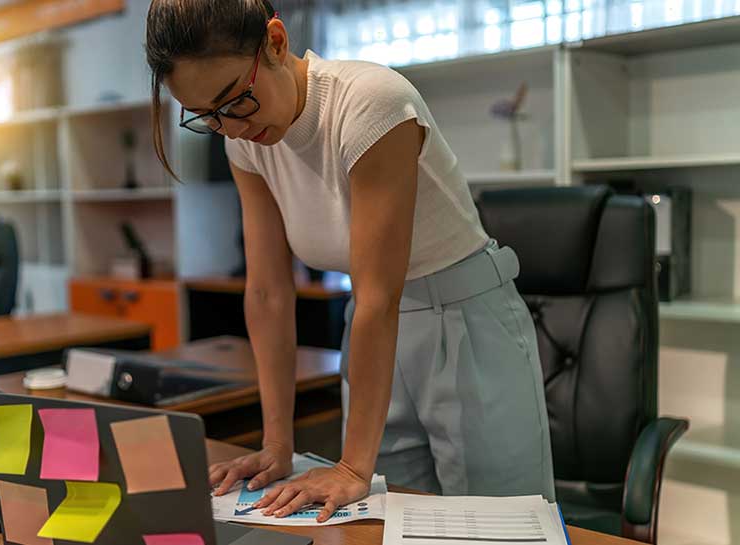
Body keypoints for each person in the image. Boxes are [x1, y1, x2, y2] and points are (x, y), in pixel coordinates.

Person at [145, 0, 555, 522]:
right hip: (370, 334)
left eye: (235, 101)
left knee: (497, 526)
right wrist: (277, 444)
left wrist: (353, 464)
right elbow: (269, 292)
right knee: (373, 522)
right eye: (208, 116)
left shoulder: (371, 103)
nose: (231, 128)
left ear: (275, 42)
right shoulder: (245, 143)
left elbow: (378, 294)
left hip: (465, 323)